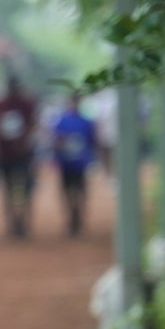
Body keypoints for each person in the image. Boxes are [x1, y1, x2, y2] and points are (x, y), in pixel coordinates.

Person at [0, 72, 38, 237]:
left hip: (22, 155)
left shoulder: (25, 104)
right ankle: (14, 222)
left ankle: (22, 221)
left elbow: (32, 124)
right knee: (9, 190)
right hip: (7, 155)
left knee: (24, 190)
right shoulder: (1, 105)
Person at [53, 90, 100, 237]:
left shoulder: (86, 122)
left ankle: (78, 219)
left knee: (80, 192)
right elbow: (55, 141)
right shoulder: (62, 121)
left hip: (80, 163)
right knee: (67, 193)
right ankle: (71, 220)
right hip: (66, 163)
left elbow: (93, 141)